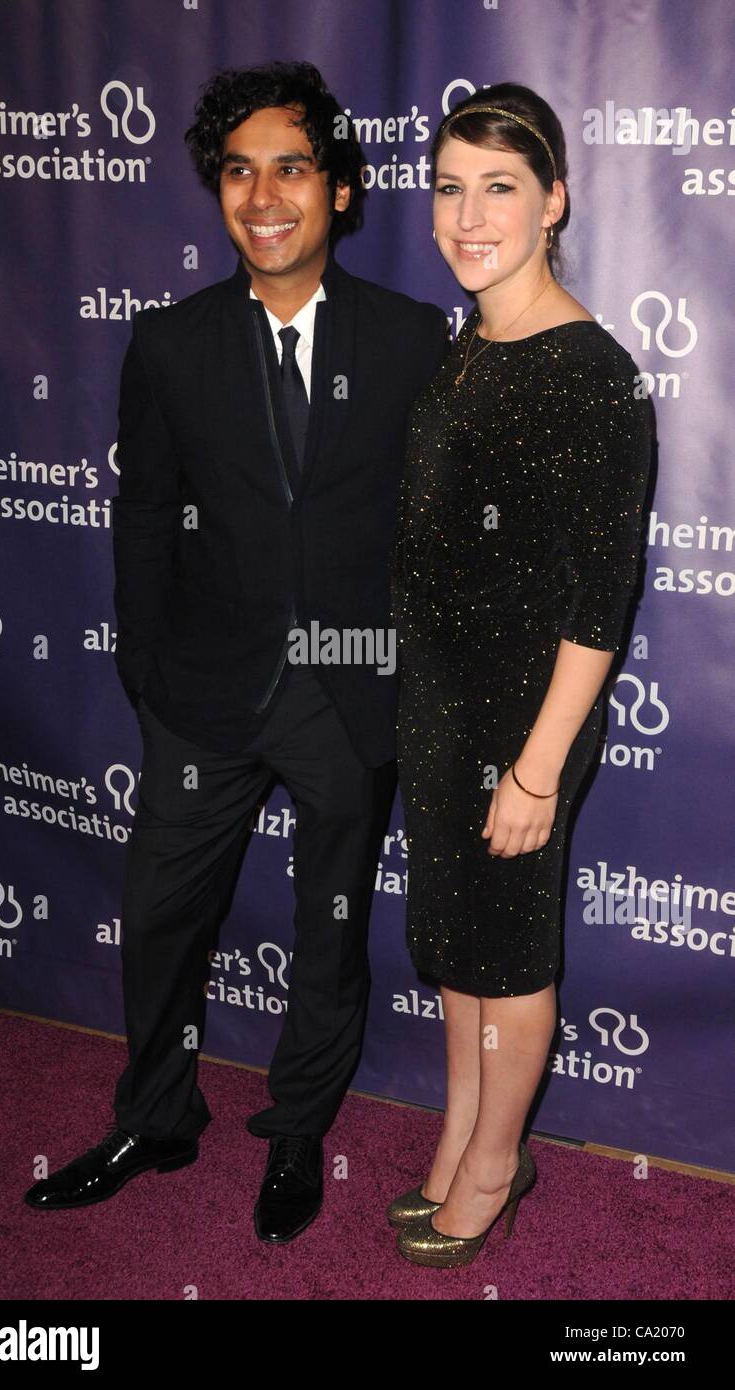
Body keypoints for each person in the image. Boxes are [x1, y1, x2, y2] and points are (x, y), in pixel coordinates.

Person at [23, 60, 449, 1242]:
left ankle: (298, 1128)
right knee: (162, 916)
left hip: (348, 695)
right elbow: (144, 515)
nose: (264, 195)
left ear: (342, 191)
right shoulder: (167, 345)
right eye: (239, 171)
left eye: (292, 168)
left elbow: (435, 531)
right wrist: (149, 673)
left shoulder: (414, 340)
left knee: (329, 929)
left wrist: (397, 669)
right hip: (204, 692)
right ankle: (156, 1115)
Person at [387, 83, 653, 1266]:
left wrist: (537, 770)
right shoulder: (468, 346)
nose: (466, 214)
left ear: (553, 201)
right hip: (439, 703)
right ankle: (459, 1133)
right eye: (448, 187)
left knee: (504, 951)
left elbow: (601, 605)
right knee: (454, 949)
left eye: (497, 187)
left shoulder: (589, 372)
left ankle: (496, 1163)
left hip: (524, 718)